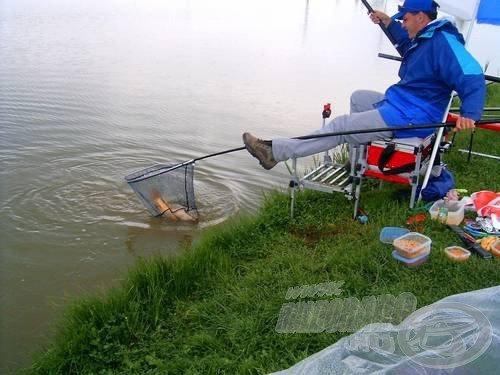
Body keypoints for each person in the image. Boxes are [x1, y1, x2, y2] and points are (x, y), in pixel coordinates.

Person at [242, 0, 486, 170]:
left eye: (406, 19)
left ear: (421, 18)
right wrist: (387, 22)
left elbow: (472, 75)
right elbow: (407, 44)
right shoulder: (425, 37)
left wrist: (470, 113)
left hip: (414, 116)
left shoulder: (444, 42)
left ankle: (274, 152)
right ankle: (360, 162)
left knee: (341, 126)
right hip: (404, 104)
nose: (403, 23)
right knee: (359, 97)